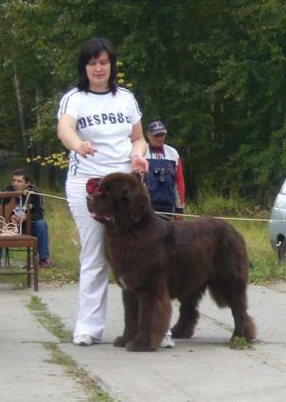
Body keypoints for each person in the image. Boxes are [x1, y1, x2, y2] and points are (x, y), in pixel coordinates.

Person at [56, 37, 178, 348]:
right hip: (91, 183)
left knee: (147, 256)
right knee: (96, 253)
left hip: (126, 187)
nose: (98, 68)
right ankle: (89, 328)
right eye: (92, 63)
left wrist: (139, 153)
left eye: (104, 62)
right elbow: (65, 129)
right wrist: (78, 145)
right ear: (85, 67)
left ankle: (155, 329)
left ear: (112, 65)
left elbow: (138, 137)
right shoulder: (75, 99)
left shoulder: (125, 98)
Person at [0, 169, 52, 268]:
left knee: (41, 224)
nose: (15, 183)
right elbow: (1, 214)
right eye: (14, 180)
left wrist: (26, 218)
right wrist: (10, 218)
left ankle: (44, 259)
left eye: (19, 181)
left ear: (27, 183)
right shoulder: (6, 192)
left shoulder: (35, 193)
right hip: (10, 228)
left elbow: (40, 213)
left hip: (29, 227)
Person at [145, 120, 186, 219]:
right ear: (148, 135)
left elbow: (179, 182)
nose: (159, 138)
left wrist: (179, 208)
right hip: (146, 206)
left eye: (162, 135)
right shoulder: (141, 152)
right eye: (156, 135)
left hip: (167, 204)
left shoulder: (173, 153)